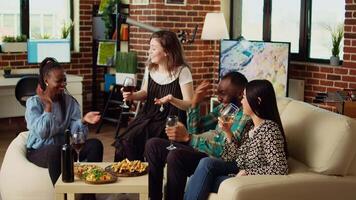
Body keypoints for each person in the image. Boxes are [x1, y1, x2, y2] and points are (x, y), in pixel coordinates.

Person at [145, 72, 250, 200]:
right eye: (218, 93)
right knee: (153, 145)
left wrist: (189, 138)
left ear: (240, 94)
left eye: (223, 94)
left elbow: (226, 150)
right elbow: (196, 129)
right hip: (200, 151)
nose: (219, 98)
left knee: (176, 155)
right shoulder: (226, 108)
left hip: (215, 159)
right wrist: (195, 103)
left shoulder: (245, 116)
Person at [184, 79, 289, 200]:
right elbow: (231, 157)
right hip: (237, 170)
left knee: (201, 171)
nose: (241, 101)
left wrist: (248, 172)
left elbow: (280, 168)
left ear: (258, 101)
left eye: (244, 97)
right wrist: (228, 132)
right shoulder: (251, 126)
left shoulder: (269, 129)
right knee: (202, 170)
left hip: (250, 180)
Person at [113, 30, 194, 162]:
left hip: (170, 120)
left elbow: (189, 104)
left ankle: (141, 172)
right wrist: (132, 96)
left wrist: (171, 99)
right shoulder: (150, 68)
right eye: (149, 47)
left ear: (167, 51)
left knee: (136, 140)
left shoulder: (182, 71)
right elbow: (144, 92)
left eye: (153, 48)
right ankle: (133, 173)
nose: (149, 51)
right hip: (148, 115)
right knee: (125, 142)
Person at [25, 57, 104, 186]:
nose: (63, 84)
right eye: (58, 81)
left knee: (95, 145)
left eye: (64, 80)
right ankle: (63, 195)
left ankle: (89, 194)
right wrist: (48, 107)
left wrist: (83, 121)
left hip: (65, 149)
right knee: (56, 150)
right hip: (39, 151)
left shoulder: (69, 102)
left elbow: (76, 136)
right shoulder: (33, 103)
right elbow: (42, 133)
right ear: (46, 81)